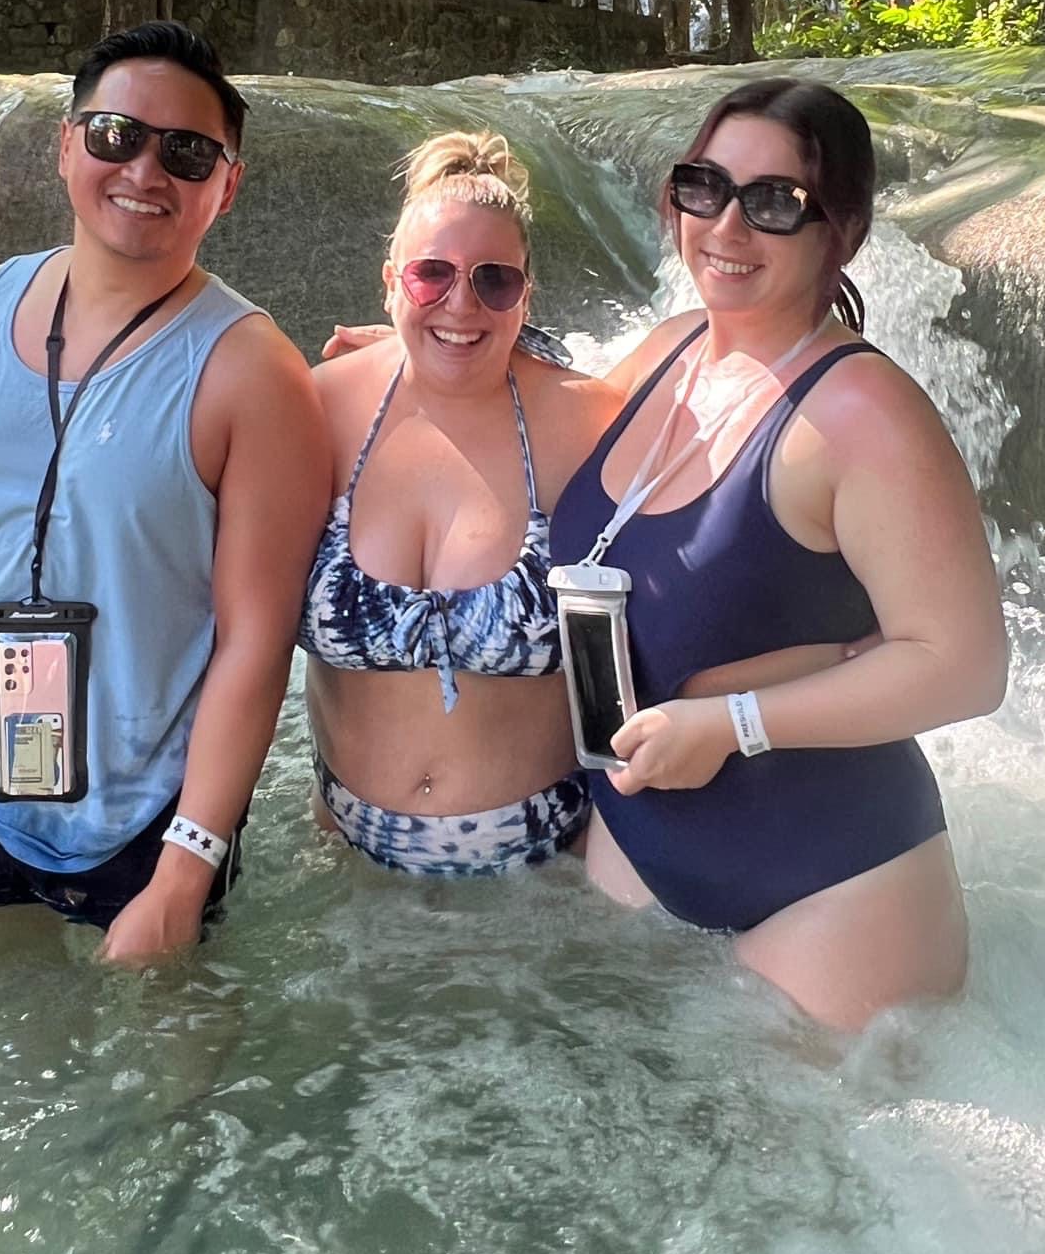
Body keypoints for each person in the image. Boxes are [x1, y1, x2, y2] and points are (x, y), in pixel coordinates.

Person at [0, 21, 330, 962]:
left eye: (187, 153)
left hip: (148, 819)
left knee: (169, 1045)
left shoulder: (253, 373)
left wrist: (187, 867)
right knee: (1, 1031)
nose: (145, 170)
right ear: (66, 146)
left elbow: (256, 639)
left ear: (226, 186)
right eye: (116, 135)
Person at [550, 77, 1008, 1030]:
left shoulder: (863, 414)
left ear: (842, 230)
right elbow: (538, 432)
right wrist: (409, 358)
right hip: (639, 848)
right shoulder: (668, 352)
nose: (726, 226)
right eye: (704, 186)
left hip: (830, 891)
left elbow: (967, 667)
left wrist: (732, 725)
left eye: (773, 202)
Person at [298, 132, 624, 873]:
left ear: (525, 296)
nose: (462, 304)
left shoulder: (590, 423)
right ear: (391, 281)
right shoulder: (319, 409)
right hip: (347, 869)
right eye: (432, 276)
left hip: (548, 874)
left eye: (494, 282)